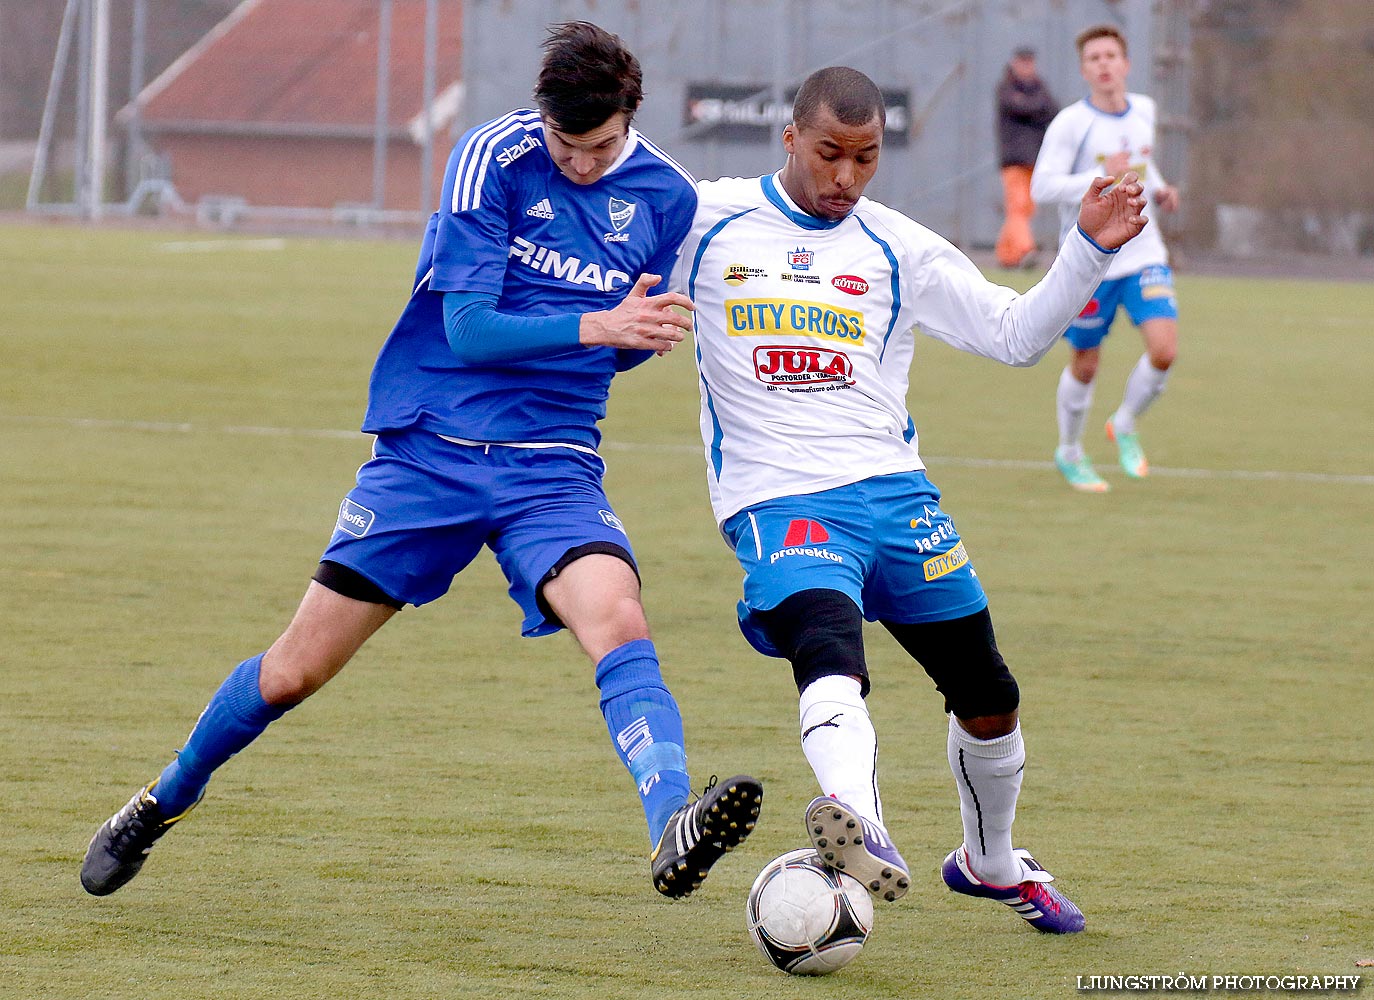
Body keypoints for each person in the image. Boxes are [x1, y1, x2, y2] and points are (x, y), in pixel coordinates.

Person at [81, 20, 761, 902]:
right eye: (564, 143)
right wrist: (602, 324)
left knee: (619, 619)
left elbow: (617, 340)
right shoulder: (492, 159)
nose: (580, 164)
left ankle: (672, 821)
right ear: (540, 118)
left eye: (596, 148)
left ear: (629, 116)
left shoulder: (666, 197)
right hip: (429, 453)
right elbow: (469, 328)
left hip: (550, 465)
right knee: (295, 671)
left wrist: (637, 333)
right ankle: (162, 799)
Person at [670, 66, 1147, 933]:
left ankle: (989, 862)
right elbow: (605, 224)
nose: (845, 178)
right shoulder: (704, 217)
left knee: (989, 692)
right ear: (790, 138)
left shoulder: (898, 246)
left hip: (896, 496)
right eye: (828, 154)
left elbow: (1013, 336)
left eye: (865, 158)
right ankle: (863, 826)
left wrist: (1089, 247)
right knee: (828, 648)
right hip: (778, 495)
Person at [1031, 23, 1181, 492]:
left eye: (1111, 56)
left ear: (1126, 64)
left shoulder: (1145, 111)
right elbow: (1042, 186)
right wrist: (1100, 174)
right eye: (1094, 58)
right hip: (1093, 260)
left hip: (1144, 253)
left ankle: (1126, 423)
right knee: (1087, 363)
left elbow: (1140, 159)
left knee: (1164, 349)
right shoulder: (1071, 124)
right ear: (1084, 70)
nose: (1104, 64)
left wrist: (1158, 189)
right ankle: (1070, 451)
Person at [994, 46, 1058, 269]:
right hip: (1014, 159)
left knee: (1025, 208)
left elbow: (1051, 108)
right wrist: (1033, 107)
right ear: (1014, 63)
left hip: (1035, 158)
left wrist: (1031, 104)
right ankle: (1025, 249)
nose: (1027, 67)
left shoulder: (1039, 86)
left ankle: (1007, 254)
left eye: (1030, 62)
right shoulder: (1005, 87)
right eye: (1022, 62)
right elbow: (1018, 107)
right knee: (1018, 206)